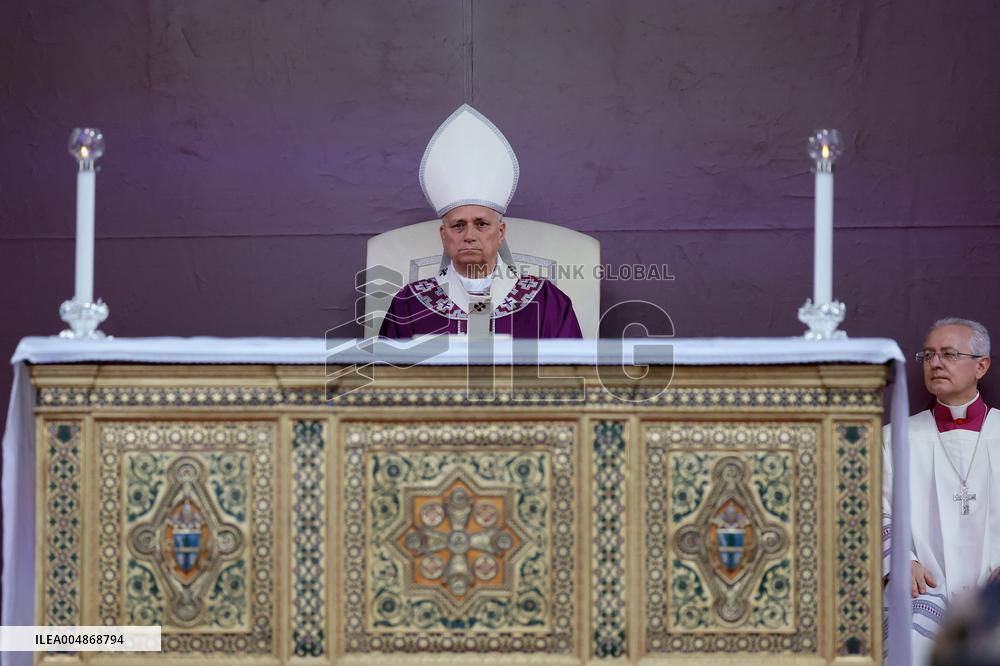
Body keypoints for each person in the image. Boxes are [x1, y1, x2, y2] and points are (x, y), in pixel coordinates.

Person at [378, 104, 582, 339]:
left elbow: (574, 372)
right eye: (458, 225)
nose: (469, 235)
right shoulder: (409, 304)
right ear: (444, 235)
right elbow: (388, 373)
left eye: (481, 224)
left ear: (501, 232)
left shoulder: (546, 300)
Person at [882, 317, 998, 665]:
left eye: (948, 354)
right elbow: (873, 508)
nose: (935, 363)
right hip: (926, 585)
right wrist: (903, 561)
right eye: (928, 355)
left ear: (981, 365)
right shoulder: (895, 437)